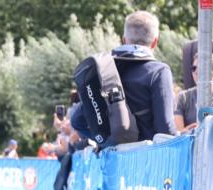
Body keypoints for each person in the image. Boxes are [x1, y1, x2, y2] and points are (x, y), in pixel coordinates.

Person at [70, 10, 179, 142]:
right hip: (147, 157)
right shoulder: (159, 71)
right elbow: (165, 128)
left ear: (124, 39)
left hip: (113, 157)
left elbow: (77, 120)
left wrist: (104, 141)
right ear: (155, 42)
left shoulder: (105, 70)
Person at [174, 52, 213, 132]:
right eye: (194, 68)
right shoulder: (183, 98)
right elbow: (178, 133)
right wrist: (191, 132)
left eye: (202, 68)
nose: (196, 72)